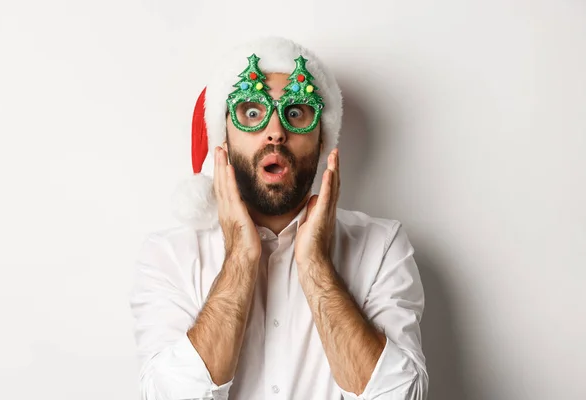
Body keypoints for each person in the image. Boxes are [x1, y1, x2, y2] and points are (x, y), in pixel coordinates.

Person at [130, 36, 428, 400]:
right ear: (223, 137)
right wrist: (240, 256)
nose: (275, 131)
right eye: (252, 112)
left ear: (322, 140)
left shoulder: (382, 246)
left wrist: (316, 266)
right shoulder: (170, 255)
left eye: (296, 112)